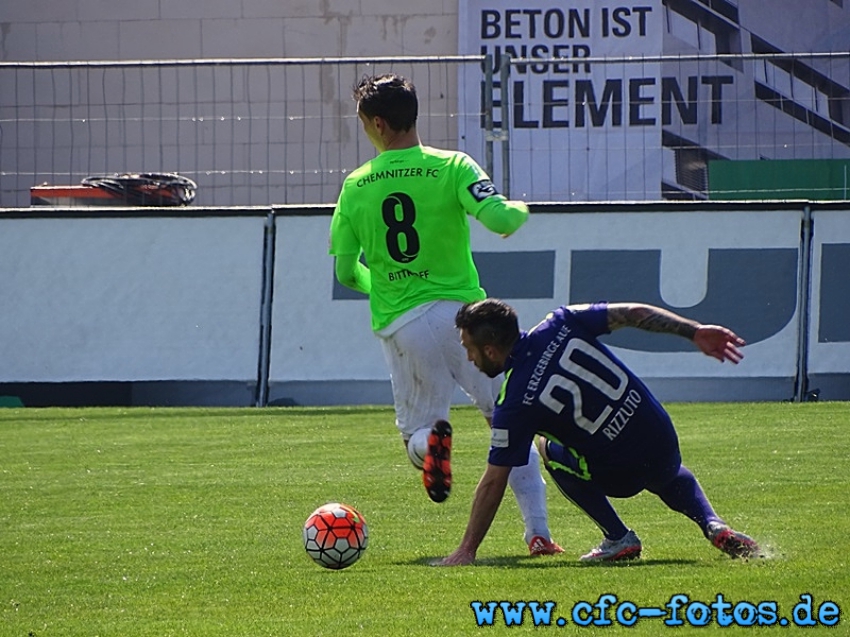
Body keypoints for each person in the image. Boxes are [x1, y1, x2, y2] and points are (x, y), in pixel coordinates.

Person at [328, 73, 562, 556]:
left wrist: (388, 289)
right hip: (468, 322)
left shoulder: (356, 185)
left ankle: (429, 445)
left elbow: (348, 273)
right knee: (507, 424)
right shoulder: (453, 165)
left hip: (403, 323)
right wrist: (519, 209)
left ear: (377, 123)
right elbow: (500, 220)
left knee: (417, 432)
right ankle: (537, 532)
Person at [438, 298, 762, 565]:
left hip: (619, 472)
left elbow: (495, 478)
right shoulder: (561, 320)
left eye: (470, 348)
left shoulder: (513, 403)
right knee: (668, 474)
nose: (469, 356)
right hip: (660, 436)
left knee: (546, 449)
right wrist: (693, 332)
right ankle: (713, 524)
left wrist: (466, 549)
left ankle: (618, 536)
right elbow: (634, 314)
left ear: (491, 350)